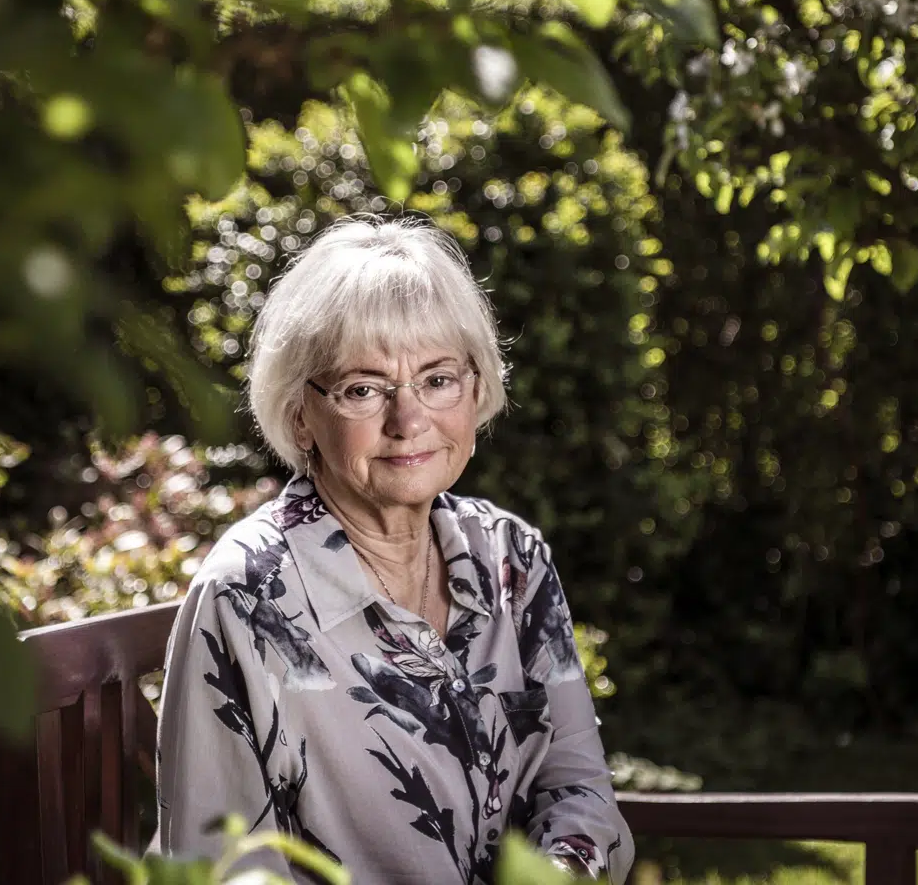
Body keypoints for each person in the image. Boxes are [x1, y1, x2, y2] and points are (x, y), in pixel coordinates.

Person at [156, 216, 633, 883]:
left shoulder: (512, 560)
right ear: (302, 415)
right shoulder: (247, 597)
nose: (409, 421)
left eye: (437, 379)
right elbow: (222, 869)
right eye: (363, 389)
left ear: (476, 387)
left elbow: (579, 788)